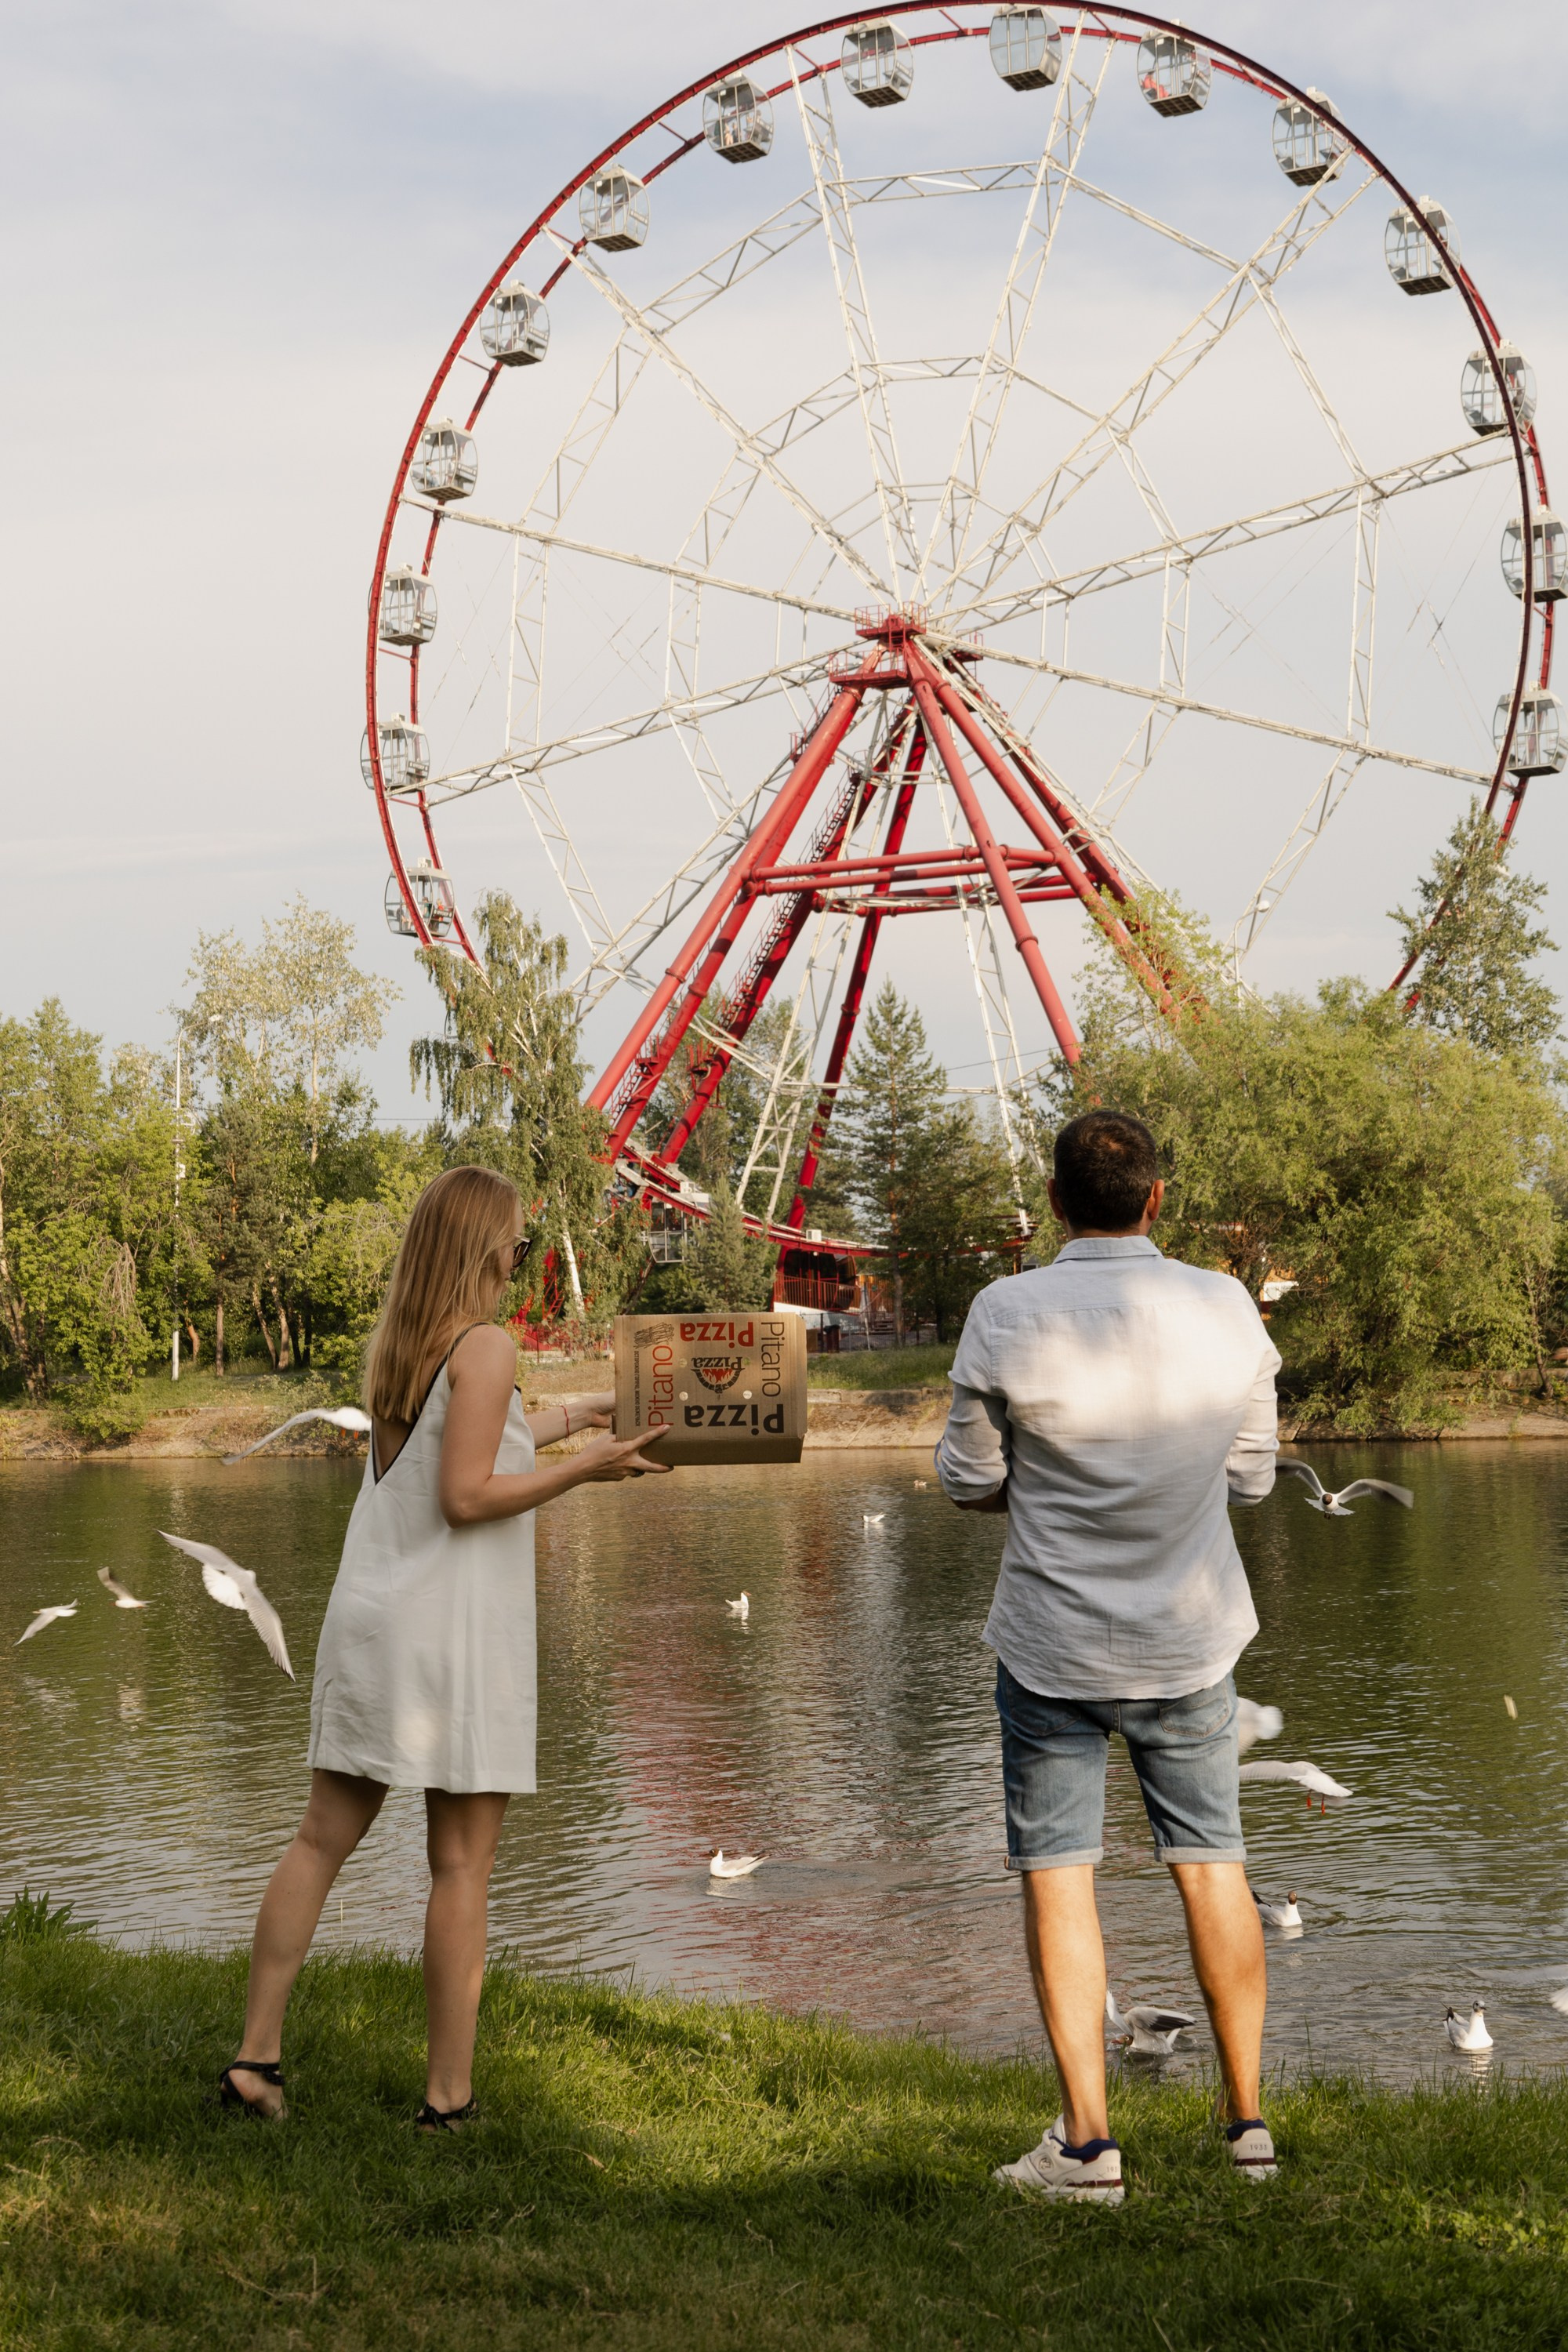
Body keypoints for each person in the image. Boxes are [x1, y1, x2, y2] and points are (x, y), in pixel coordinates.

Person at [217, 1165, 668, 2130]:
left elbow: (465, 1445)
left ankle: (255, 2063)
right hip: (451, 1639)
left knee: (319, 1839)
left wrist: (576, 1416)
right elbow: (467, 1494)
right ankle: (447, 2101)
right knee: (461, 1865)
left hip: (375, 1620)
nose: (520, 1252)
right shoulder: (491, 1343)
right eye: (514, 1235)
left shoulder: (405, 1344)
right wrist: (586, 1468)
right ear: (484, 1247)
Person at [935, 1110, 1280, 2204]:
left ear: (1052, 1200)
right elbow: (1254, 1479)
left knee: (1059, 1876)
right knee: (1212, 1864)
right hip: (1189, 1641)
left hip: (1052, 1648)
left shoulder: (1005, 1311)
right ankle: (1248, 2129)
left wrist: (1042, 1485)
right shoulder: (1225, 1307)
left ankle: (1087, 2148)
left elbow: (962, 1479)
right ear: (1157, 1200)